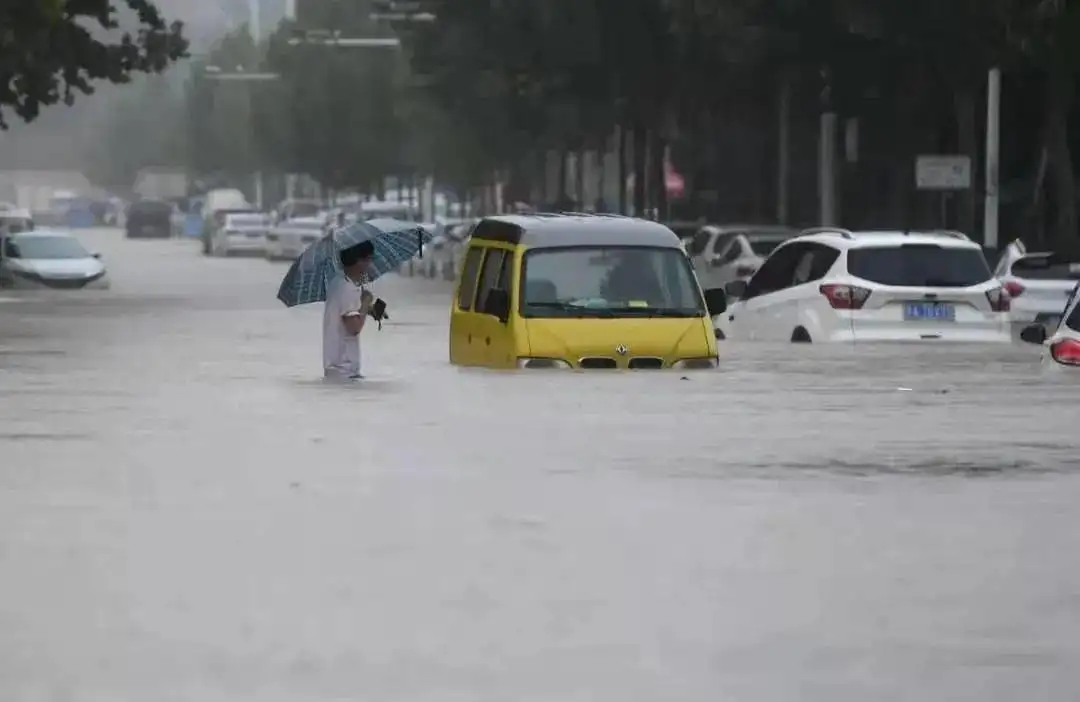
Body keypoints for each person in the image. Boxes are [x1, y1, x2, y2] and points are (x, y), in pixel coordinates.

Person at [324, 240, 375, 379]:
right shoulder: (349, 289)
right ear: (360, 261)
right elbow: (354, 327)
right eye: (370, 259)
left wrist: (366, 305)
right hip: (345, 371)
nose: (371, 265)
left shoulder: (337, 284)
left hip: (335, 368)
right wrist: (365, 304)